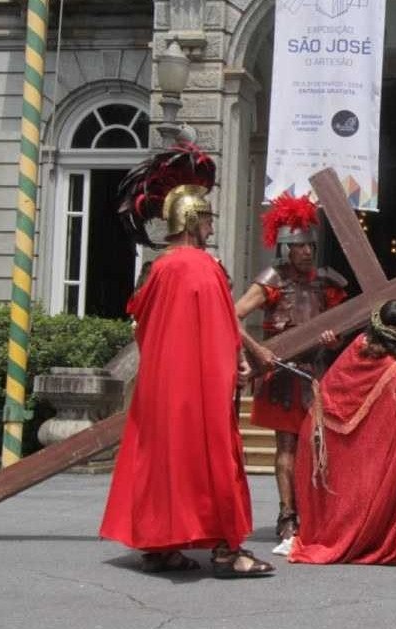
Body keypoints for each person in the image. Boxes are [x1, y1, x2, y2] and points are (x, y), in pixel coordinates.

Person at [100, 143, 272, 578]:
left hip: (160, 387)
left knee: (162, 461)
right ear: (194, 220)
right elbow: (220, 327)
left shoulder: (159, 268)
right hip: (198, 386)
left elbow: (143, 329)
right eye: (209, 219)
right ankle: (226, 551)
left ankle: (159, 548)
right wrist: (239, 367)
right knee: (214, 460)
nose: (212, 226)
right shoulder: (202, 267)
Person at [289, 300, 396, 566]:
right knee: (364, 498)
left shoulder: (360, 346)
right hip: (349, 443)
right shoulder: (390, 368)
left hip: (342, 440)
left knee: (353, 499)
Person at [235, 192, 349, 556]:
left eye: (311, 246)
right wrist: (257, 350)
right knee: (285, 446)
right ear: (285, 247)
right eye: (300, 247)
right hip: (282, 374)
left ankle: (313, 511)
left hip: (316, 373)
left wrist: (333, 341)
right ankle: (288, 514)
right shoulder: (272, 280)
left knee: (317, 446)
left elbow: (341, 334)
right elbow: (231, 313)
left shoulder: (327, 283)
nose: (307, 253)